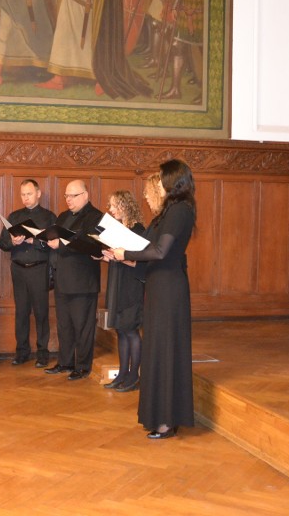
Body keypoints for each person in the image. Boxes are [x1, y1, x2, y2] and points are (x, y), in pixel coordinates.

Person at [112, 159, 196, 439]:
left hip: (170, 289)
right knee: (156, 351)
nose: (158, 183)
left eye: (161, 179)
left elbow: (160, 252)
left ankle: (167, 420)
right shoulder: (167, 212)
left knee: (166, 351)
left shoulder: (181, 210)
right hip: (158, 286)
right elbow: (146, 246)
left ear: (173, 180)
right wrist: (117, 253)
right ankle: (157, 416)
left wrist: (128, 255)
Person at [35, 0, 151, 99]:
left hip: (90, 6)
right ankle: (59, 78)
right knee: (64, 36)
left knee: (92, 42)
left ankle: (101, 78)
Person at [45, 179, 102, 380]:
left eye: (73, 195)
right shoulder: (62, 216)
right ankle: (65, 362)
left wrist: (60, 244)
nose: (68, 199)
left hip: (82, 281)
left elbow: (89, 243)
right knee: (64, 325)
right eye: (66, 196)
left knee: (83, 326)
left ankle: (83, 365)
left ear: (85, 195)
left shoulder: (95, 217)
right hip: (62, 279)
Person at [0, 179, 56, 367]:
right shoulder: (14, 216)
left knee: (41, 312)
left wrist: (34, 241)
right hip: (19, 269)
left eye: (29, 193)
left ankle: (42, 353)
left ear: (38, 194)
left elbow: (54, 244)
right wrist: (12, 242)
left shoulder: (49, 217)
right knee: (21, 312)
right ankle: (22, 352)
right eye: (23, 194)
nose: (25, 197)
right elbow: (2, 243)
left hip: (39, 268)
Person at [100, 190, 145, 392]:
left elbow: (139, 262)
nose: (110, 209)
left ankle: (134, 375)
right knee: (120, 331)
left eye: (113, 205)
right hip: (117, 284)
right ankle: (122, 374)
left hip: (131, 286)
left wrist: (121, 257)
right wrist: (107, 256)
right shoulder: (116, 230)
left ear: (125, 206)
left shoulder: (138, 229)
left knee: (131, 331)